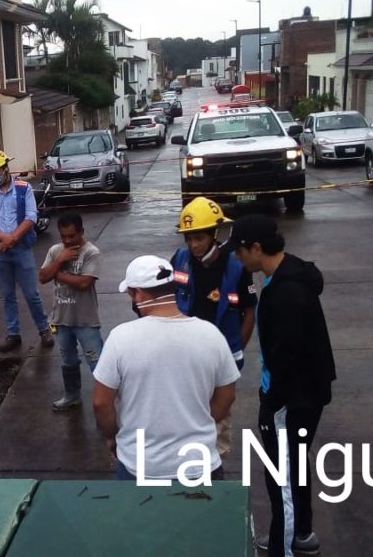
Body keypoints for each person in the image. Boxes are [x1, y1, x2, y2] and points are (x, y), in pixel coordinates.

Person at [228, 214, 336, 557]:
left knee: (281, 479)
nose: (237, 258)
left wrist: (271, 401)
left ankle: (283, 548)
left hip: (289, 400)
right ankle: (301, 533)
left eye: (240, 251)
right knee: (294, 466)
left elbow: (286, 356)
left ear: (256, 248)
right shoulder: (289, 274)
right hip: (302, 393)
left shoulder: (286, 293)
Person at [92, 255, 239, 482]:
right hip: (199, 466)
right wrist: (200, 422)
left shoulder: (120, 338)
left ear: (138, 294)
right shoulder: (211, 334)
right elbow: (227, 396)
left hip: (138, 466)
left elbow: (101, 403)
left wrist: (113, 437)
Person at [170, 197, 256, 457]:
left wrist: (236, 348)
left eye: (199, 238)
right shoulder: (180, 259)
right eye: (189, 238)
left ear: (214, 234)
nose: (193, 245)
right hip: (185, 354)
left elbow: (250, 310)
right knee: (184, 413)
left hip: (222, 356)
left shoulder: (236, 267)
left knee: (218, 418)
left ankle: (215, 464)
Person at [0, 149, 54, 352]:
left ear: (6, 168)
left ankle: (44, 329)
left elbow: (31, 216)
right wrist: (3, 239)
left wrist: (11, 239)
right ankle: (13, 334)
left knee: (31, 293)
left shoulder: (24, 188)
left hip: (21, 249)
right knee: (7, 295)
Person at [38, 211, 103, 411]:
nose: (67, 240)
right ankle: (72, 395)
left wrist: (57, 273)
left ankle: (111, 402)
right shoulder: (56, 251)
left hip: (86, 320)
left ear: (81, 231)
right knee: (68, 360)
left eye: (72, 236)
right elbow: (42, 277)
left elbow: (84, 283)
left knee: (97, 364)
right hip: (61, 319)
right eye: (63, 236)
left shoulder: (92, 252)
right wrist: (59, 260)